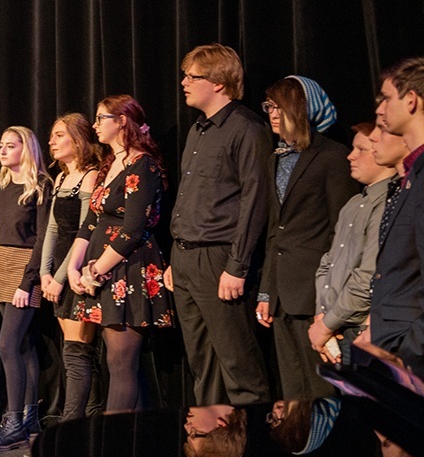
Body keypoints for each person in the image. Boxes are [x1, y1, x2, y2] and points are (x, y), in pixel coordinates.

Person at [169, 43, 272, 406]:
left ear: (218, 82)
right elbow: (192, 197)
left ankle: (255, 448)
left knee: (237, 362)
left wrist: (237, 265)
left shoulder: (246, 128)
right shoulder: (198, 131)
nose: (183, 82)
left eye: (192, 76)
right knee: (202, 362)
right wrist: (175, 258)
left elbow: (255, 201)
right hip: (184, 258)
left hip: (219, 259)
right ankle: (212, 443)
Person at [68, 95, 173, 413]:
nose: (96, 124)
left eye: (101, 118)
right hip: (101, 270)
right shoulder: (108, 165)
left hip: (128, 269)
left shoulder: (144, 165)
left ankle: (112, 449)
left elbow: (133, 229)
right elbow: (89, 223)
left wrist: (96, 270)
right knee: (112, 359)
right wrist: (74, 268)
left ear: (122, 121)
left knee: (121, 361)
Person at [255, 76, 357, 400]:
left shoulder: (332, 156)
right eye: (269, 106)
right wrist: (266, 291)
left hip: (316, 294)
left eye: (279, 106)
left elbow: (342, 232)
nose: (272, 113)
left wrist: (329, 296)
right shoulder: (275, 159)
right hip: (283, 294)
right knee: (293, 391)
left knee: (323, 390)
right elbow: (276, 230)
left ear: (301, 110)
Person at [0, 126, 52, 451]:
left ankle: (13, 423)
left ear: (27, 149)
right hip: (2, 263)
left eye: (11, 145)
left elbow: (42, 239)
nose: (4, 151)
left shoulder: (41, 186)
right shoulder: (1, 184)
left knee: (7, 344)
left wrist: (28, 281)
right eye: (1, 145)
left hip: (27, 267)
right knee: (23, 345)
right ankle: (30, 417)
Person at [308, 122, 396, 366]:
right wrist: (322, 316)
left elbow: (368, 274)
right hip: (336, 326)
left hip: (361, 329)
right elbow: (328, 263)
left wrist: (327, 323)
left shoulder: (388, 203)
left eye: (361, 150)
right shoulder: (353, 204)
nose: (351, 156)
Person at [39, 113, 104, 422]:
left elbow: (85, 232)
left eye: (59, 135)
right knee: (76, 353)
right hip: (58, 275)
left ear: (78, 140)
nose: (52, 141)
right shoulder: (63, 177)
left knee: (77, 353)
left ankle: (70, 428)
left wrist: (62, 277)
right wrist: (44, 273)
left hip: (77, 271)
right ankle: (89, 421)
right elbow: (52, 230)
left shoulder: (91, 176)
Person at [370, 58, 424, 377]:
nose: (379, 109)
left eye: (386, 98)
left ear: (412, 100)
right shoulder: (413, 175)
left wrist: (409, 353)